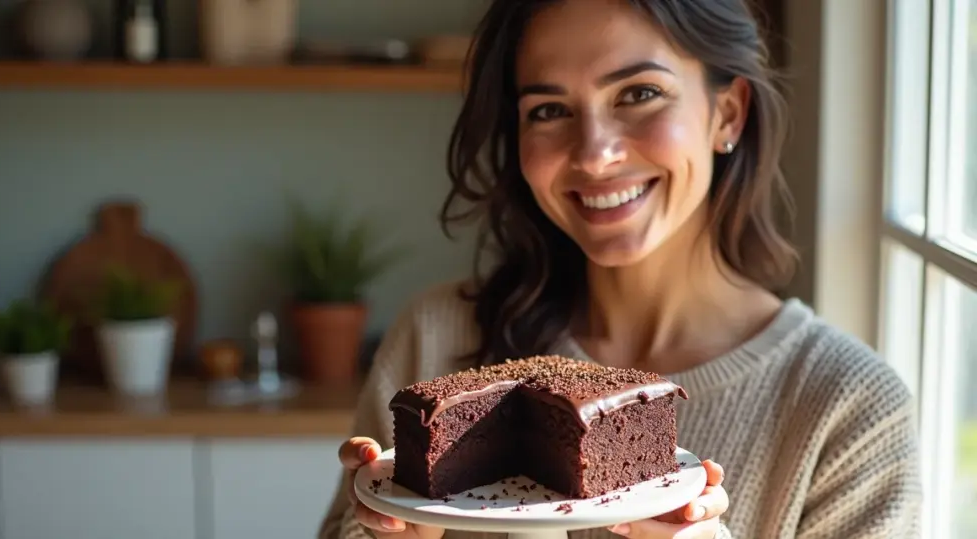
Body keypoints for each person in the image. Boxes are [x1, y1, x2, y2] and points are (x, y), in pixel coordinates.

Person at [318, 0, 921, 537]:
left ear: (728, 114)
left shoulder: (844, 405)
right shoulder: (437, 336)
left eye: (638, 94)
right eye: (549, 109)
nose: (595, 154)